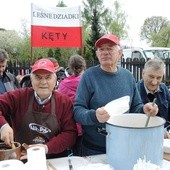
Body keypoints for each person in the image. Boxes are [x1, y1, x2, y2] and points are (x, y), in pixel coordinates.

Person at [73, 33, 158, 156]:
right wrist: (94, 115)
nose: (105, 52)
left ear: (120, 52)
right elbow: (77, 112)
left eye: (110, 48)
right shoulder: (89, 76)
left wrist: (145, 109)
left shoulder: (128, 76)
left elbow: (135, 107)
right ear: (97, 54)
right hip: (93, 149)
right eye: (101, 49)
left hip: (124, 145)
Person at [0, 58, 77, 159]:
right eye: (38, 77)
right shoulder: (19, 96)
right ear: (31, 80)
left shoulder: (64, 102)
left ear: (55, 80)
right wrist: (3, 125)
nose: (43, 82)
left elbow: (70, 134)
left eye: (48, 77)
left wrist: (45, 148)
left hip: (53, 161)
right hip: (22, 159)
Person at [58, 54, 86, 155]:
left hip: (69, 125)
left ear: (70, 68)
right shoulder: (87, 82)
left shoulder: (63, 85)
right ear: (84, 67)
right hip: (85, 125)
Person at [137, 57, 170, 135]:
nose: (154, 82)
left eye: (159, 78)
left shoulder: (164, 89)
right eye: (151, 77)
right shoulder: (135, 91)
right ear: (143, 73)